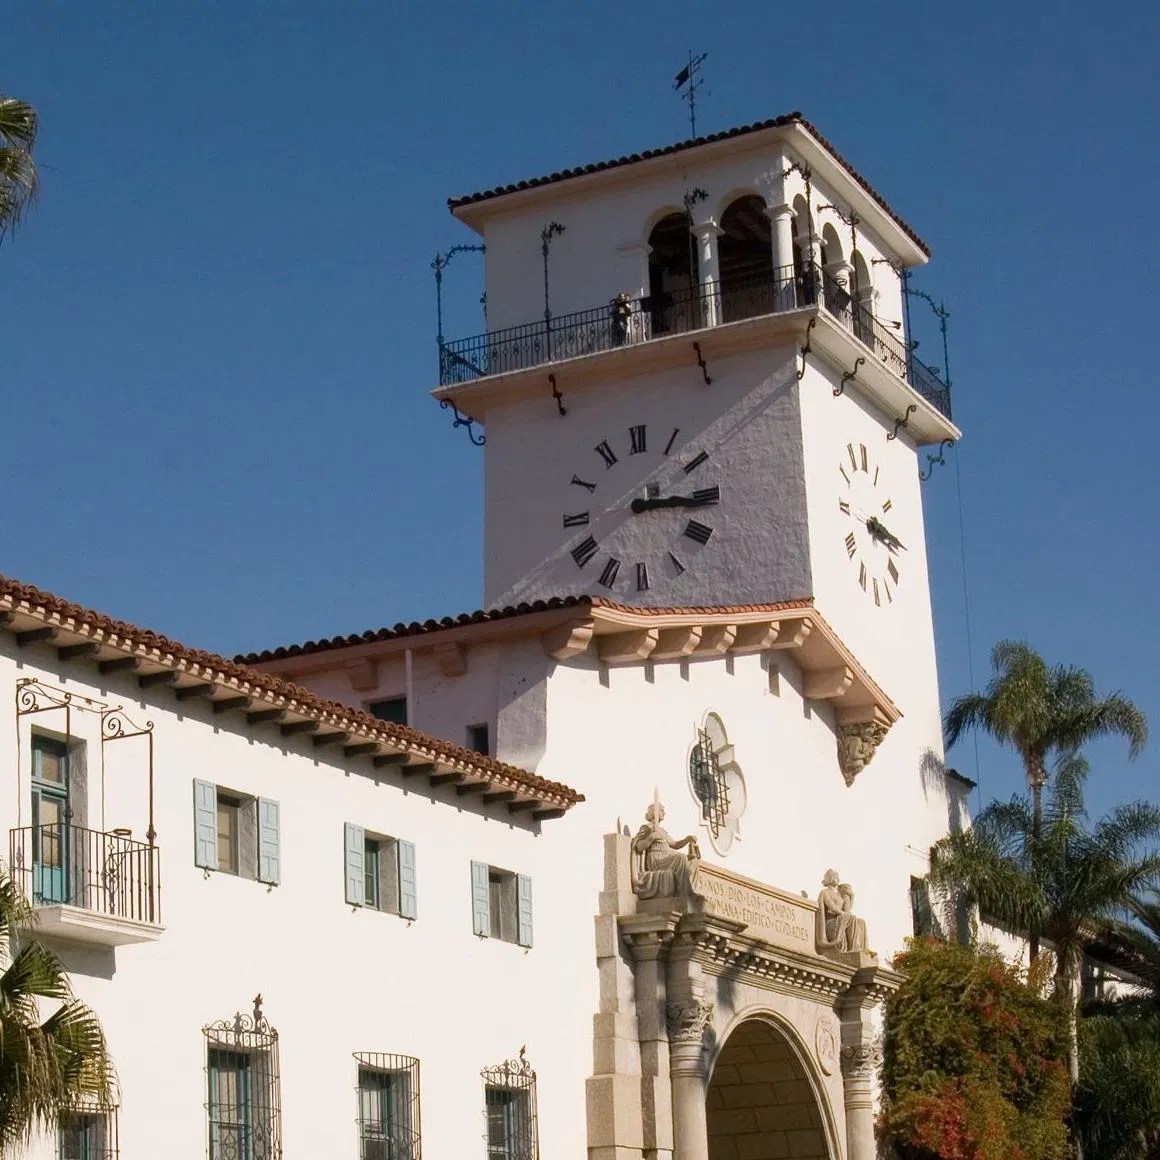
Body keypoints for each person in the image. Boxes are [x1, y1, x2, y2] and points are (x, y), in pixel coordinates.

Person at [631, 802, 701, 899]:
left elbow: (675, 845)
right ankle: (684, 893)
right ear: (653, 812)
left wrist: (687, 839)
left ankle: (690, 890)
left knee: (693, 861)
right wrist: (652, 837)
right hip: (656, 858)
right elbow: (639, 846)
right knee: (681, 858)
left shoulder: (662, 830)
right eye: (661, 810)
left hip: (667, 856)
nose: (664, 812)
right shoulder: (647, 827)